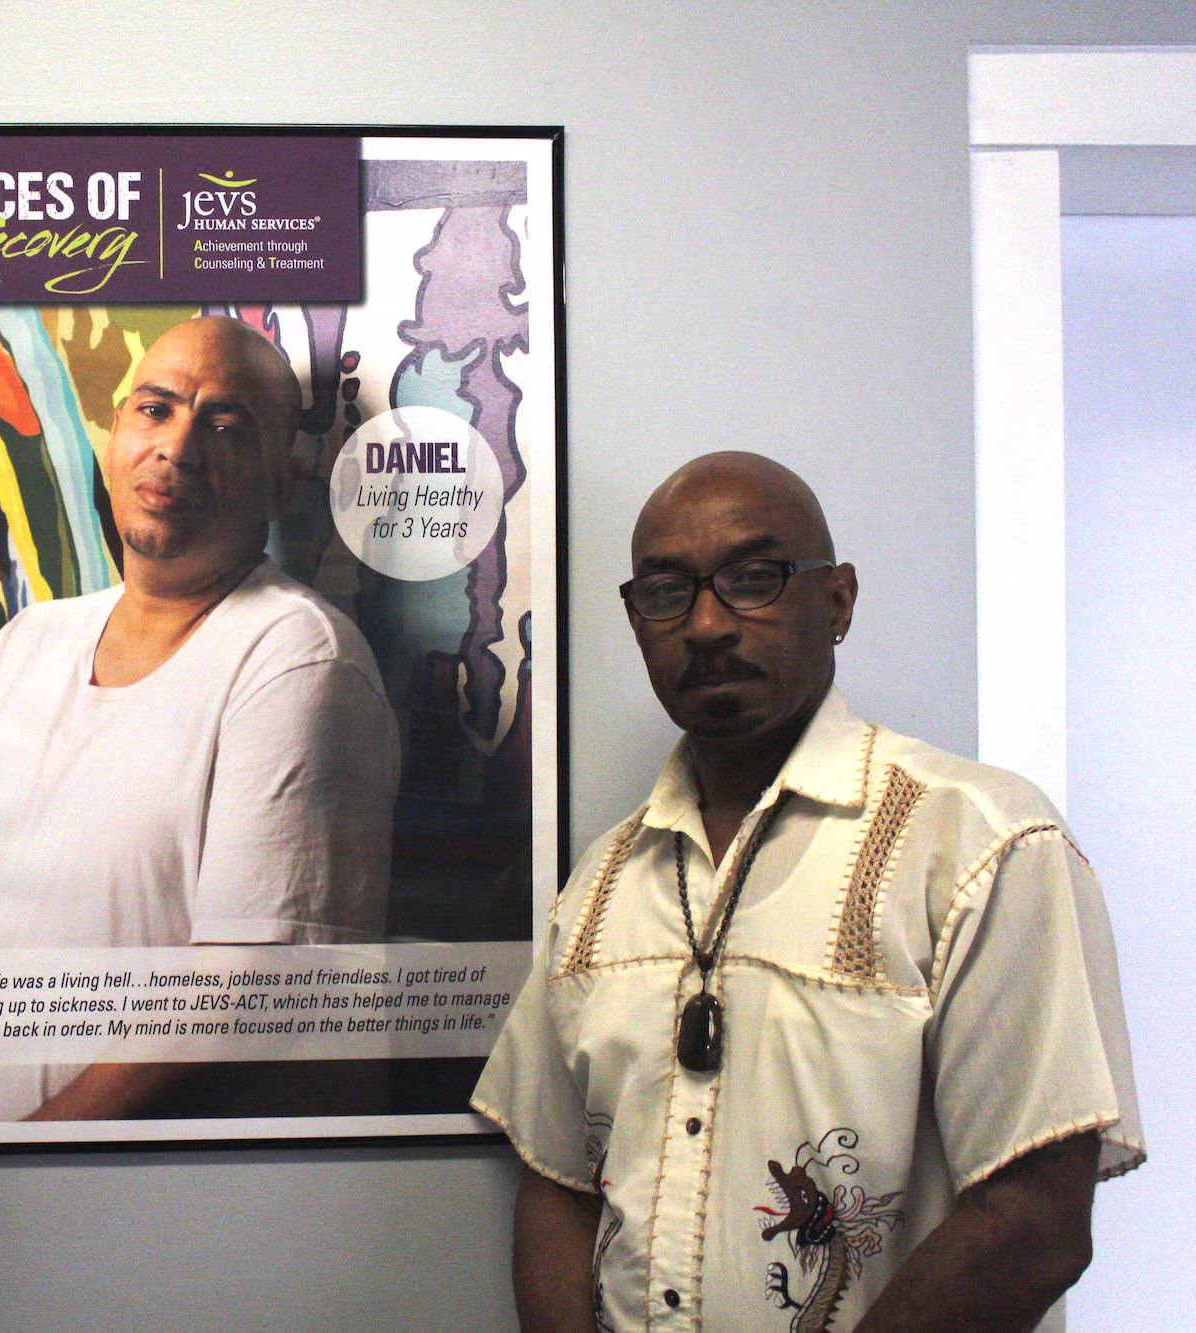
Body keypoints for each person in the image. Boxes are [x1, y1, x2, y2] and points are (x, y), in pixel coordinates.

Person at [472, 452, 1142, 1332]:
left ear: (837, 601)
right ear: (637, 625)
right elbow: (557, 1184)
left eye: (754, 578)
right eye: (667, 591)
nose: (708, 623)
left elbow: (1034, 1223)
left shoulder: (982, 843)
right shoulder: (603, 884)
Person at [0, 315, 398, 1123]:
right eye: (155, 409)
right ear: (114, 438)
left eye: (225, 425)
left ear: (280, 481)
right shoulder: (22, 646)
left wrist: (29, 1160)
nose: (176, 448)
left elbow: (243, 996)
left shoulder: (297, 657)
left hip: (173, 1196)